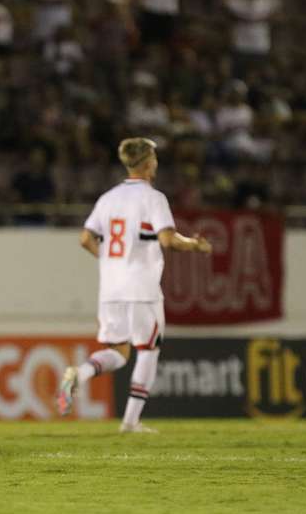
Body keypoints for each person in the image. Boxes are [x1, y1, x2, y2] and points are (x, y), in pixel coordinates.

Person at [57, 137, 212, 432]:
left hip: (111, 287)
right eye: (154, 156)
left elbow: (85, 238)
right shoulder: (153, 199)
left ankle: (81, 373)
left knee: (118, 352)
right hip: (141, 287)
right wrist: (195, 245)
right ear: (148, 162)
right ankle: (130, 421)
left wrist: (109, 261)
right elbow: (167, 239)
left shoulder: (108, 198)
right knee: (148, 349)